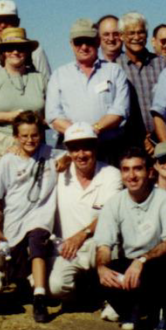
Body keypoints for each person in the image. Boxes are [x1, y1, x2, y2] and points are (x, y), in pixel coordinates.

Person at [0, 27, 48, 292]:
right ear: (1, 53)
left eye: (21, 48)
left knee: (29, 205)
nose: (16, 52)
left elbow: (48, 112)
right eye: (9, 48)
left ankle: (22, 268)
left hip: (30, 144)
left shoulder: (39, 79)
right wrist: (9, 117)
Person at [94, 148, 166, 330]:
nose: (132, 175)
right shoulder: (114, 203)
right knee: (104, 271)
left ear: (149, 171)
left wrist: (142, 260)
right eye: (126, 170)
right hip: (132, 266)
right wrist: (102, 267)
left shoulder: (165, 199)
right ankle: (133, 311)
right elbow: (104, 244)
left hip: (159, 263)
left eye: (138, 169)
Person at [0, 112, 59, 322]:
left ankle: (40, 298)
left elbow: (74, 155)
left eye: (35, 135)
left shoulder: (51, 155)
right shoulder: (8, 161)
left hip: (40, 215)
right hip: (14, 219)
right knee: (17, 270)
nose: (30, 140)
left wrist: (65, 162)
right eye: (25, 136)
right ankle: (28, 281)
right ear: (16, 137)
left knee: (37, 242)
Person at [48, 123, 123, 303]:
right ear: (68, 151)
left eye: (86, 148)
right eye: (74, 149)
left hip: (101, 245)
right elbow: (32, 154)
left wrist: (82, 234)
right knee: (56, 287)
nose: (81, 155)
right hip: (68, 250)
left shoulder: (111, 174)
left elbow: (109, 215)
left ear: (95, 147)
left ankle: (113, 297)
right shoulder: (58, 172)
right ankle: (86, 294)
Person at [46, 18, 131, 161]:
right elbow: (53, 115)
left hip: (108, 148)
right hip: (70, 148)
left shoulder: (115, 72)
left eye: (89, 41)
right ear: (71, 44)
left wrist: (93, 130)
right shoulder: (59, 75)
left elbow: (120, 110)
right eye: (79, 42)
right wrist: (78, 134)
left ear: (97, 42)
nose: (84, 47)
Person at [114, 12, 166, 149]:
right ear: (121, 36)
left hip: (163, 139)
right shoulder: (115, 68)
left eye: (141, 32)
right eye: (131, 33)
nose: (136, 37)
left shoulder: (163, 64)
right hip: (129, 143)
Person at [0, 0, 52, 87]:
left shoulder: (35, 50)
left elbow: (47, 84)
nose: (2, 25)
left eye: (7, 20)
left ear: (17, 22)